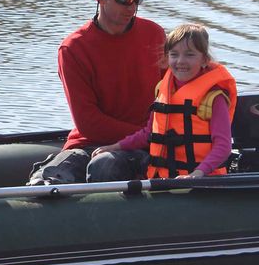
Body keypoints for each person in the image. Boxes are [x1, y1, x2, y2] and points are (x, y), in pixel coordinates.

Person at [28, 0, 166, 185]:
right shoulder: (73, 48)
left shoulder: (154, 35)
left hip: (142, 144)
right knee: (46, 180)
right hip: (89, 143)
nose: (132, 5)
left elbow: (172, 96)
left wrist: (149, 138)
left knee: (105, 165)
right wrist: (146, 134)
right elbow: (89, 123)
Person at [93, 23, 237, 178]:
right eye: (174, 54)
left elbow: (223, 146)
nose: (180, 61)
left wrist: (197, 173)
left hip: (202, 180)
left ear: (204, 60)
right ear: (167, 57)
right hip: (162, 176)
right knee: (103, 164)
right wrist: (115, 147)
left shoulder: (214, 98)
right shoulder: (163, 89)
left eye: (190, 54)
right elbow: (148, 133)